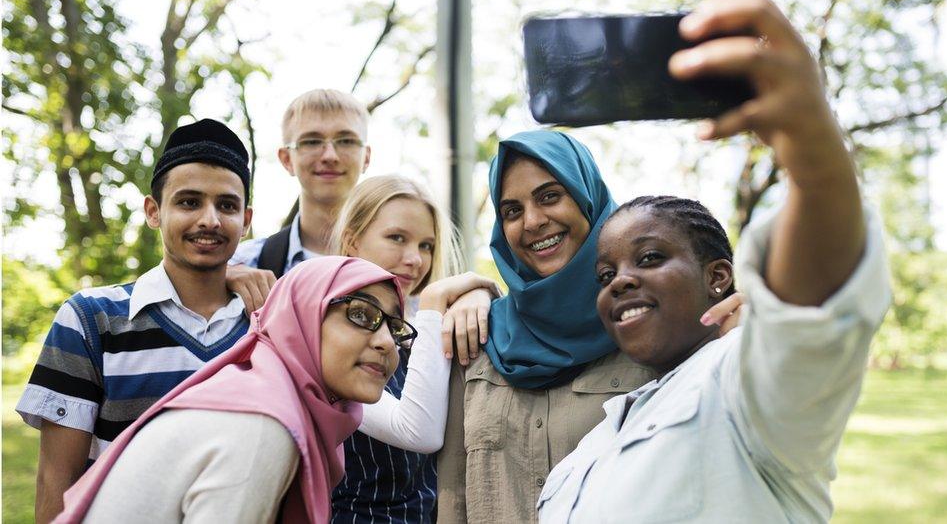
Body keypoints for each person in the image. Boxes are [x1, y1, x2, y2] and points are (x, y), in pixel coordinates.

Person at [536, 0, 890, 522]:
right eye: (606, 274)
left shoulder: (744, 385)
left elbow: (815, 303)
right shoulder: (590, 446)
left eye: (650, 258)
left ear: (719, 276)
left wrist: (814, 151)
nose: (619, 282)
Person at [437, 130, 743, 523]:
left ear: (588, 199)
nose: (531, 221)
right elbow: (452, 495)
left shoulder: (655, 332)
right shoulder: (475, 336)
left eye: (550, 196)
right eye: (512, 210)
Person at [53, 257, 415, 523]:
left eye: (396, 328)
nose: (387, 342)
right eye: (361, 315)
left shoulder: (261, 391)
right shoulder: (264, 425)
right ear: (302, 315)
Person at [16, 118, 254, 523]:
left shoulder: (270, 326)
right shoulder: (91, 320)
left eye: (226, 205)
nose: (210, 220)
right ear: (153, 211)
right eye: (189, 202)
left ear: (246, 220)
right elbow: (58, 479)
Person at [327, 175, 498, 523]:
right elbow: (417, 431)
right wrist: (437, 300)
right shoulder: (327, 328)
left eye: (426, 245)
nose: (415, 259)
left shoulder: (419, 330)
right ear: (352, 241)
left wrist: (479, 295)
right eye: (396, 238)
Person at [227, 88, 372, 313]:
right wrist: (213, 279)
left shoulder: (402, 267)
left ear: (367, 157)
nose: (330, 156)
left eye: (346, 141)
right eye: (312, 142)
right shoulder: (243, 263)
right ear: (286, 159)